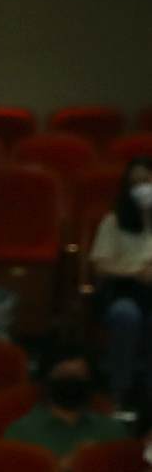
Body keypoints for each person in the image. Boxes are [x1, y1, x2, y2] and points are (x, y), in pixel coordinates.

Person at [89, 155, 152, 400]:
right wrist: (136, 272)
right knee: (126, 315)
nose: (141, 188)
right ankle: (118, 390)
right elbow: (100, 267)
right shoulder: (114, 221)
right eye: (135, 184)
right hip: (122, 290)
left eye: (146, 181)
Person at [1, 341, 127, 459]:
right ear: (46, 381)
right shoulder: (20, 432)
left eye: (78, 377)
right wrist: (68, 464)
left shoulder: (112, 431)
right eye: (63, 376)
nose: (71, 383)